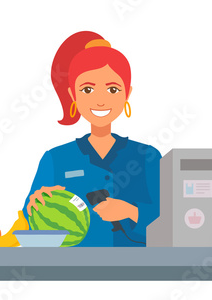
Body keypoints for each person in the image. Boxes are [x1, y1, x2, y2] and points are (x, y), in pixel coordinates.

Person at [21, 31, 161, 247]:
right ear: (73, 95)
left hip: (138, 273)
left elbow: (172, 224)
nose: (101, 100)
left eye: (112, 89)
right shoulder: (55, 159)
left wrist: (131, 212)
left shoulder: (148, 157)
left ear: (127, 94)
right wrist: (35, 205)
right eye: (88, 89)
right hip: (72, 274)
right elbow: (30, 229)